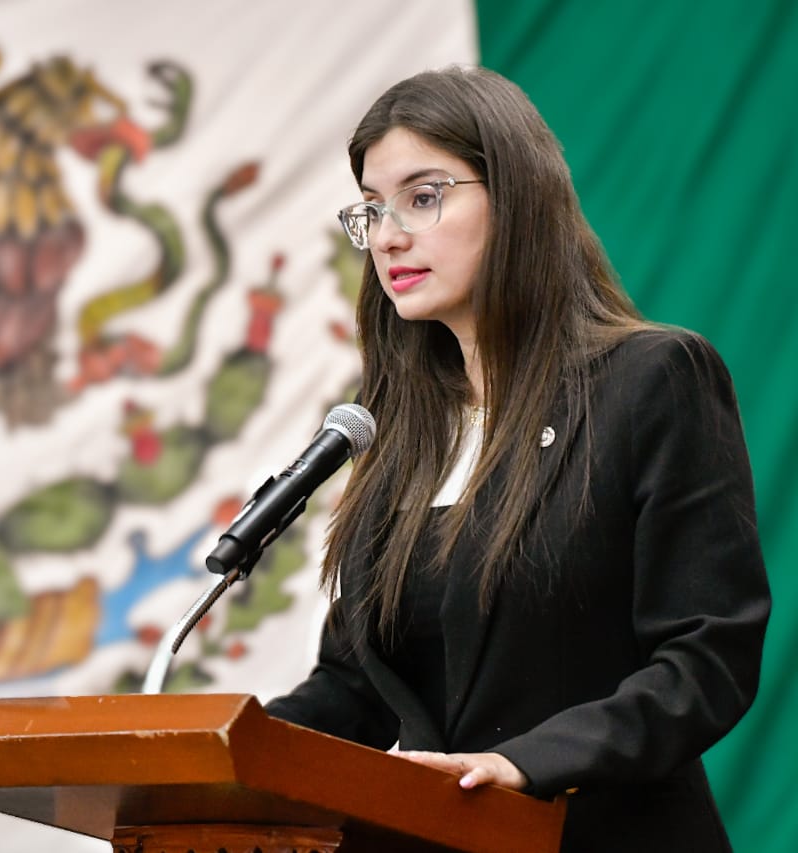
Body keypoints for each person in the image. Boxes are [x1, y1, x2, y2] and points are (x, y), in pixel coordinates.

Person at [264, 65, 770, 852]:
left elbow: (706, 659)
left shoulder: (653, 381)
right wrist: (225, 755)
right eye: (372, 208)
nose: (388, 235)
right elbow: (354, 686)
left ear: (518, 197)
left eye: (422, 197)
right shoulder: (394, 424)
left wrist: (524, 763)